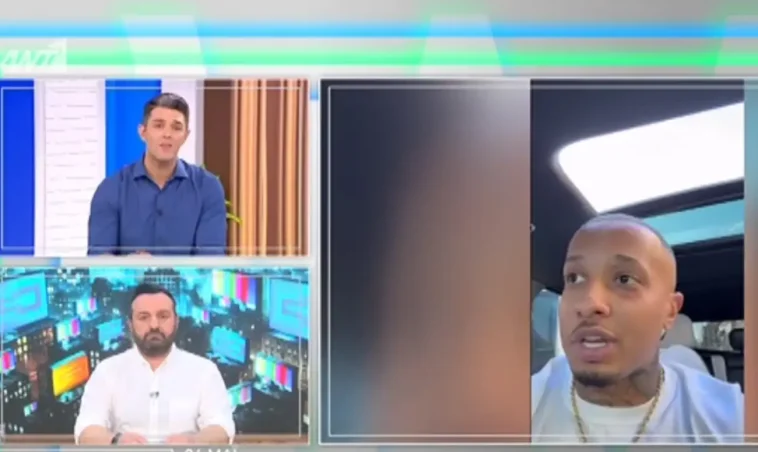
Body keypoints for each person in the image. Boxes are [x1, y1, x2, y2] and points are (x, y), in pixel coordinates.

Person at [532, 214, 743, 443]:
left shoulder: (731, 420)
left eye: (624, 279)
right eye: (574, 278)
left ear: (670, 312)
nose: (589, 304)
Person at [74, 283, 235, 445]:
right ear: (130, 324)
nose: (154, 325)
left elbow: (222, 429)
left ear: (176, 321)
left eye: (163, 316)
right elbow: (86, 430)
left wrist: (192, 441)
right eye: (143, 317)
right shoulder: (107, 371)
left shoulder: (205, 371)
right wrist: (117, 441)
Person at [87, 93, 227, 256]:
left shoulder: (207, 188)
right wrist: (128, 264)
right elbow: (98, 259)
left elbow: (210, 260)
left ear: (185, 136)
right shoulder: (111, 189)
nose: (167, 134)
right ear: (142, 132)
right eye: (159, 125)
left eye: (176, 127)